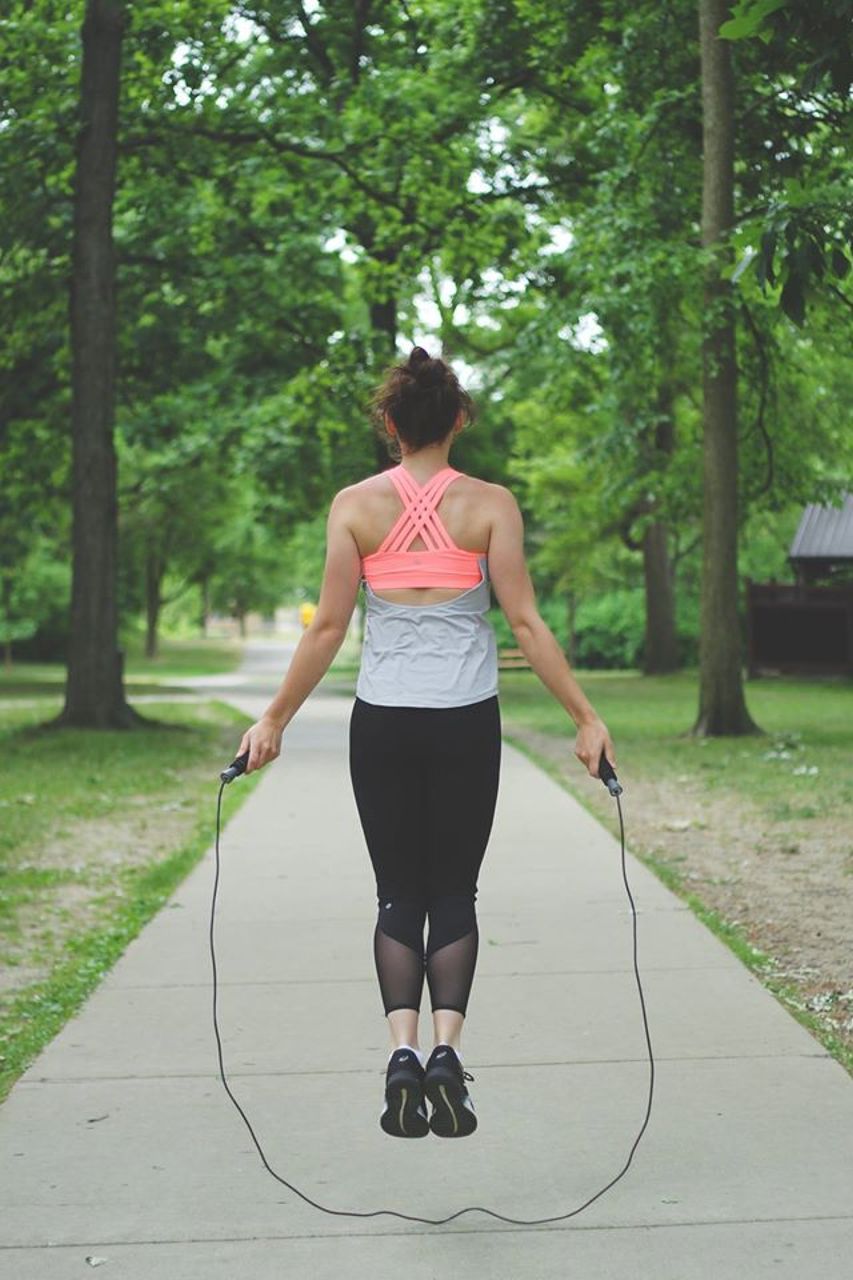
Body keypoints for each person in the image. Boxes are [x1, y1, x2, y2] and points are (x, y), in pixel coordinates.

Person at [235, 346, 616, 1140]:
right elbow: (524, 624)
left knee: (395, 896)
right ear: (459, 420)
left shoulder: (353, 506)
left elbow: (330, 629)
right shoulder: (490, 506)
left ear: (388, 425)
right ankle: (448, 1054)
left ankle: (400, 1056)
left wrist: (272, 720)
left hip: (382, 723)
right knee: (453, 894)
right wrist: (583, 718)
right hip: (463, 722)